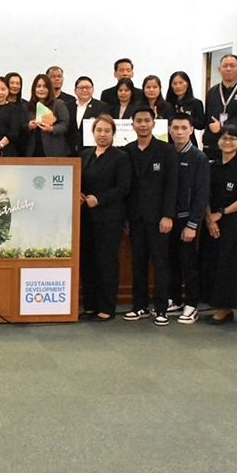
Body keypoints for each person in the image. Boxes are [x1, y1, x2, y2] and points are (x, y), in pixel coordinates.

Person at [121, 106, 178, 325]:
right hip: (135, 218)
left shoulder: (166, 150)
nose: (143, 125)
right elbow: (127, 187)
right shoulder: (127, 150)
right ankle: (139, 306)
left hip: (159, 218)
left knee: (161, 263)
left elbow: (172, 186)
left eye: (147, 120)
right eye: (139, 121)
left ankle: (162, 308)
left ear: (154, 123)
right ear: (132, 124)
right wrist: (126, 217)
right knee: (138, 262)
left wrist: (168, 215)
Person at [79, 114, 132, 321]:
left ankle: (106, 307)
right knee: (88, 262)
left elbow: (124, 188)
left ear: (113, 134)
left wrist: (98, 200)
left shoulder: (120, 157)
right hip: (85, 218)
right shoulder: (84, 155)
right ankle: (90, 306)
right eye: (99, 130)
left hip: (110, 218)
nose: (102, 135)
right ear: (93, 133)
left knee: (106, 262)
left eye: (107, 131)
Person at [200, 124, 237, 324]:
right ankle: (216, 305)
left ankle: (226, 308)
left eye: (233, 138)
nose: (228, 141)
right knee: (212, 262)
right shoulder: (212, 166)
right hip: (210, 221)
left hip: (232, 223)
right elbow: (204, 193)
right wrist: (209, 217)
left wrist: (221, 214)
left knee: (228, 265)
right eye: (224, 138)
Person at [167, 113, 210, 324]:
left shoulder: (198, 158)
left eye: (184, 128)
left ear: (191, 129)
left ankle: (192, 304)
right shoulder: (167, 153)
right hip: (169, 219)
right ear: (169, 129)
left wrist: (193, 224)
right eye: (175, 128)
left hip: (187, 221)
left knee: (188, 264)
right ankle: (175, 299)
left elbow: (202, 194)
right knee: (171, 262)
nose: (179, 132)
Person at [203, 54, 237, 160]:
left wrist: (222, 125)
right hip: (214, 143)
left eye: (232, 65)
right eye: (225, 66)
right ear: (219, 69)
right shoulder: (212, 91)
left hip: (236, 142)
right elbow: (208, 117)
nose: (228, 69)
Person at [23, 74, 71, 157]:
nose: (41, 89)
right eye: (38, 86)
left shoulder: (59, 104)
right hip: (32, 151)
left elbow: (65, 124)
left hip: (54, 151)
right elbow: (21, 127)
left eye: (45, 86)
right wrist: (29, 126)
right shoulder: (26, 107)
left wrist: (51, 129)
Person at [165, 71, 206, 147]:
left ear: (187, 84)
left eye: (181, 83)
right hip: (169, 143)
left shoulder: (196, 103)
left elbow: (201, 125)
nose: (178, 86)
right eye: (175, 83)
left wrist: (187, 118)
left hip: (189, 143)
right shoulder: (167, 104)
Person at [69, 75, 109, 154]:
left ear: (93, 90)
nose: (84, 90)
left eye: (88, 87)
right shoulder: (68, 106)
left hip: (91, 150)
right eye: (81, 88)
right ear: (75, 90)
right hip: (70, 150)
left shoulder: (101, 106)